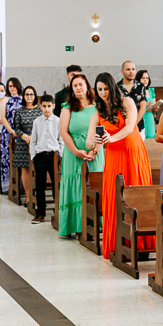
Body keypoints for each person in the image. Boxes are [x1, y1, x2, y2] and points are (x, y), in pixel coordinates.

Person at [87, 72, 152, 259]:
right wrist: (95, 141)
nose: (103, 93)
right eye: (99, 89)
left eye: (106, 88)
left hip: (132, 151)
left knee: (136, 193)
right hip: (114, 156)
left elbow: (130, 126)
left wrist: (111, 138)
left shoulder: (127, 102)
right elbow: (90, 143)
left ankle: (141, 244)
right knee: (117, 196)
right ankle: (119, 244)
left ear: (113, 87)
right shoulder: (98, 113)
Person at [57, 73, 103, 238]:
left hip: (95, 153)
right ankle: (77, 225)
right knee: (76, 186)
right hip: (73, 153)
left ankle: (96, 224)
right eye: (74, 85)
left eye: (80, 85)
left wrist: (95, 150)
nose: (78, 88)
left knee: (95, 185)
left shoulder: (97, 106)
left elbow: (102, 130)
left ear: (87, 86)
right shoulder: (67, 107)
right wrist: (77, 151)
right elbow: (64, 132)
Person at [29, 94, 62, 224]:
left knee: (56, 185)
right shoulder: (37, 122)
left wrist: (60, 156)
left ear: (54, 106)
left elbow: (61, 140)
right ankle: (40, 213)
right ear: (40, 107)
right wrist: (33, 156)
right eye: (44, 106)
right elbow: (33, 141)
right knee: (40, 185)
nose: (47, 109)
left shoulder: (58, 121)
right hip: (40, 156)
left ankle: (58, 212)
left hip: (54, 157)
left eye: (49, 106)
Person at [9, 86, 42, 207]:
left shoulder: (40, 110)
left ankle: (37, 196)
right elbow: (16, 127)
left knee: (38, 170)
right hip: (24, 143)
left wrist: (34, 136)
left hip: (38, 143)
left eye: (31, 94)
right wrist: (24, 136)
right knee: (25, 170)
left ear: (35, 96)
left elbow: (43, 125)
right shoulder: (19, 111)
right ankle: (28, 197)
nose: (29, 96)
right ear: (24, 96)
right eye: (27, 94)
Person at [0, 77, 24, 192]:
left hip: (22, 132)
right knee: (7, 158)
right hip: (8, 133)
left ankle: (23, 185)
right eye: (10, 86)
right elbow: (3, 117)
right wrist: (11, 131)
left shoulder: (24, 99)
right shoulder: (5, 100)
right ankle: (9, 185)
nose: (12, 88)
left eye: (14, 86)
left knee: (22, 158)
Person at [136, 69, 159, 139]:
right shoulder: (135, 91)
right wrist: (143, 105)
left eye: (147, 78)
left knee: (151, 137)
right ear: (138, 79)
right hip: (140, 117)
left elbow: (154, 106)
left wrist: (155, 108)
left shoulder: (151, 91)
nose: (145, 80)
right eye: (143, 78)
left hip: (149, 117)